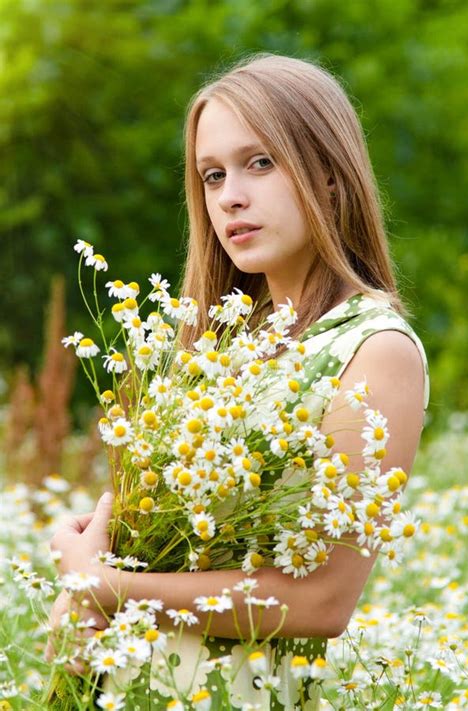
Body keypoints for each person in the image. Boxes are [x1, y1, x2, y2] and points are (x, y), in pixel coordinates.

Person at [47, 53, 429, 710]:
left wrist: (107, 586)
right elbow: (160, 541)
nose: (230, 196)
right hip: (127, 688)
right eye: (212, 174)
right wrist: (92, 546)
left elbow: (322, 599)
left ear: (331, 177)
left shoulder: (374, 346)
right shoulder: (218, 350)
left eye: (260, 162)